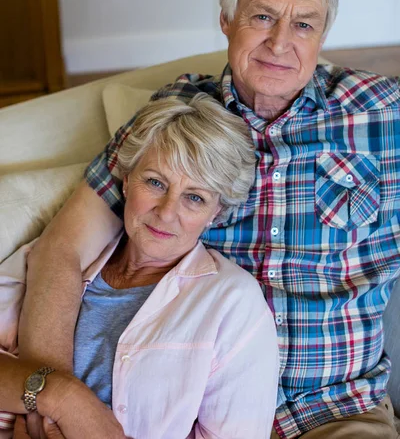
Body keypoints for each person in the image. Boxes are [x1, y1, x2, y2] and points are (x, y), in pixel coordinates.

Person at [16, 0, 400, 439]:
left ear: (323, 33)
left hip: (333, 410)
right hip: (183, 411)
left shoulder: (379, 115)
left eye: (303, 24)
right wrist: (52, 400)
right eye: (262, 16)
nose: (280, 42)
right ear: (226, 18)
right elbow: (61, 249)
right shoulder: (177, 117)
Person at [0, 95, 279, 439]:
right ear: (126, 180)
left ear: (216, 214)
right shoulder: (57, 260)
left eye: (194, 198)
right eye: (155, 182)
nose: (165, 212)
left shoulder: (234, 303)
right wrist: (60, 397)